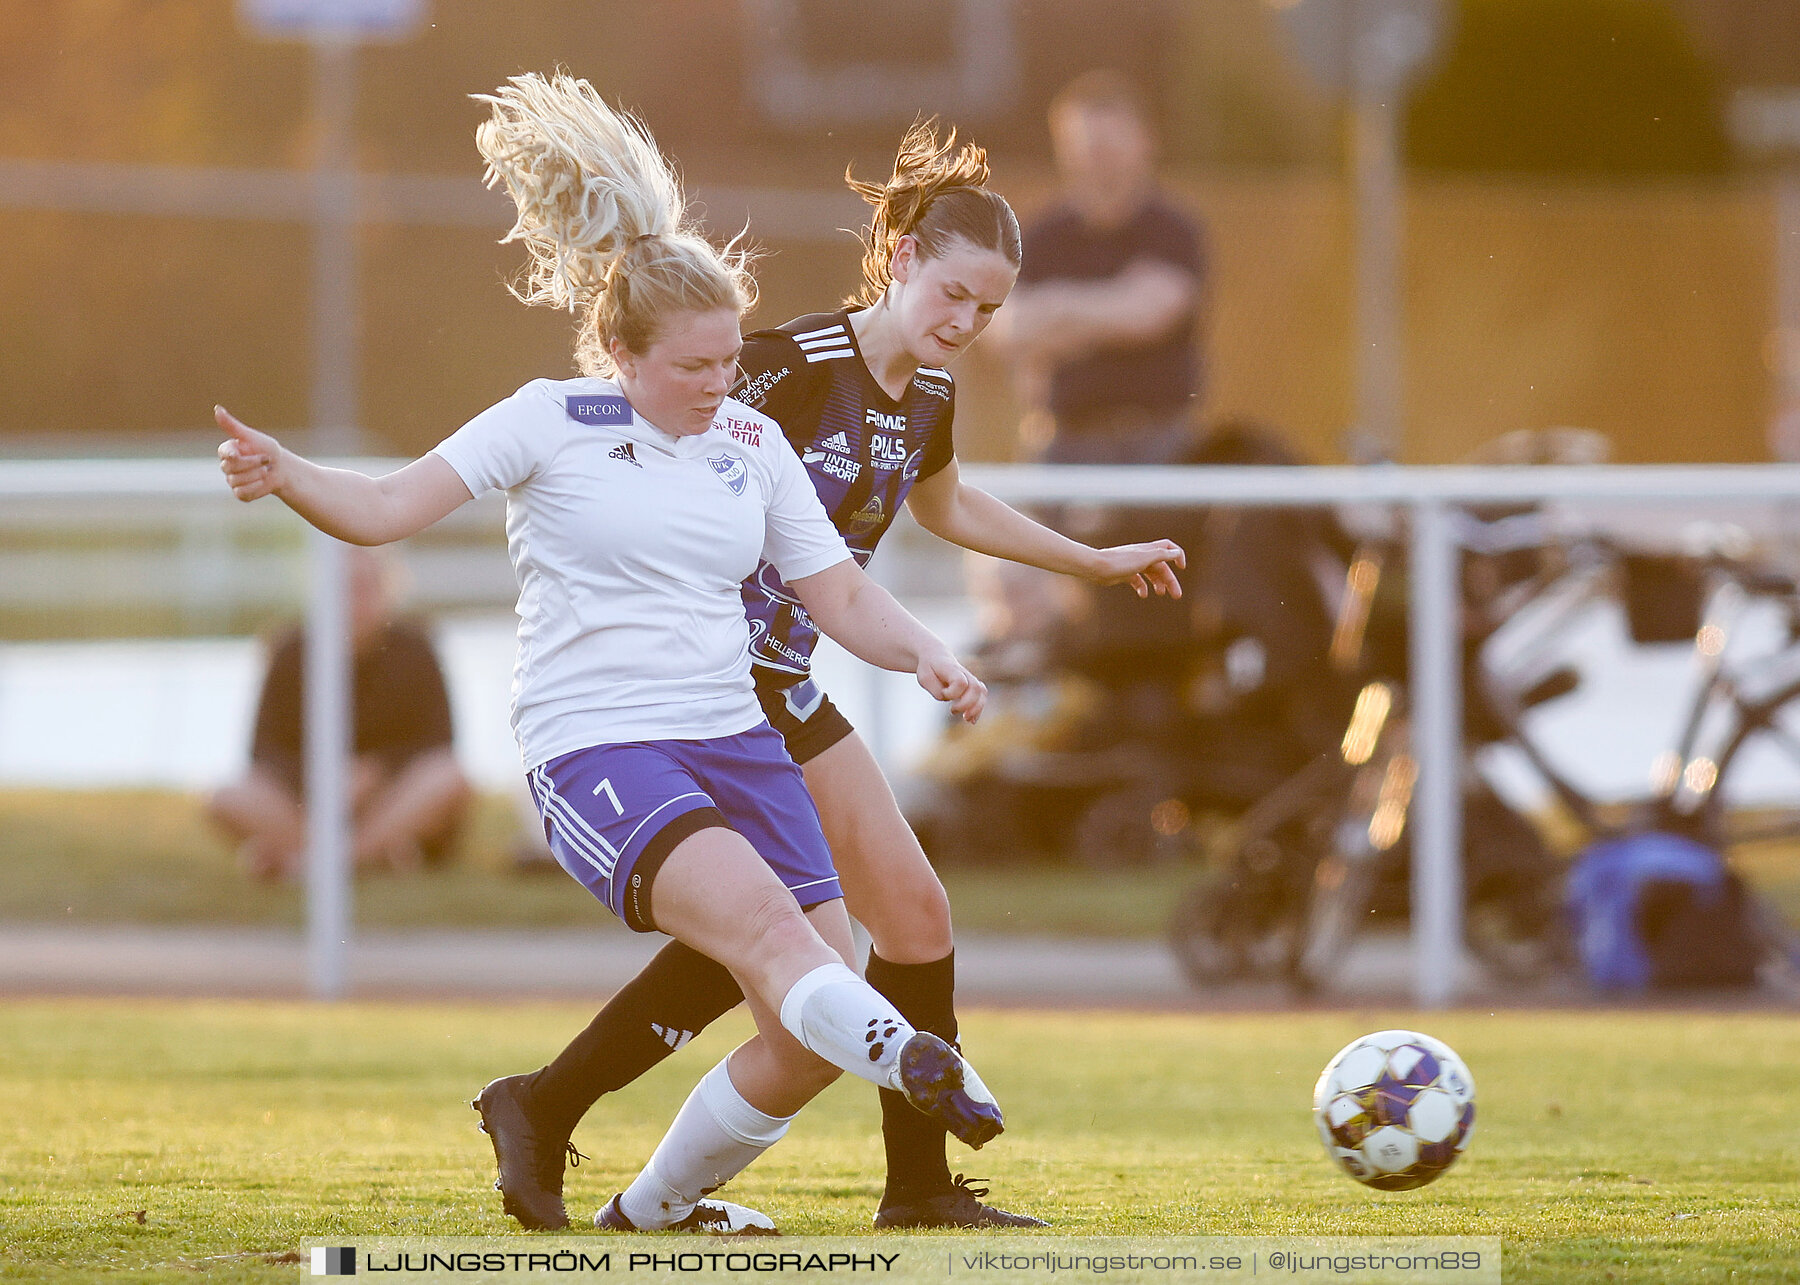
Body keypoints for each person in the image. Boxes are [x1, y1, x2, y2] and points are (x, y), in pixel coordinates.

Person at [214, 72, 1006, 1237]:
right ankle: (918, 1058)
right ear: (621, 353)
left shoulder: (746, 440)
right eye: (694, 366)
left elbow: (834, 587)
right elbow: (385, 507)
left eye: (731, 361)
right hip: (602, 745)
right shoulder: (548, 418)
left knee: (799, 1039)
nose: (721, 386)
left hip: (735, 734)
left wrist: (926, 651)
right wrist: (287, 475)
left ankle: (648, 1209)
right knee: (787, 947)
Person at [471, 121, 1186, 1232]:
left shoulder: (932, 397)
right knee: (798, 943)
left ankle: (905, 1188)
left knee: (902, 917)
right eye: (953, 294)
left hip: (788, 682)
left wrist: (1090, 559)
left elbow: (947, 507)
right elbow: (650, 413)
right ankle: (557, 1109)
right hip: (706, 688)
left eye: (989, 311)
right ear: (900, 260)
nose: (966, 324)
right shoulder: (787, 366)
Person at [205, 544, 471, 880]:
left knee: (447, 778)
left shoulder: (417, 645)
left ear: (388, 586)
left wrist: (376, 772)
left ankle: (314, 863)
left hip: (393, 798)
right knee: (226, 796)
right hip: (308, 803)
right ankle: (372, 857)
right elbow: (263, 750)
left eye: (365, 586)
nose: (356, 599)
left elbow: (440, 741)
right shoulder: (289, 647)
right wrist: (320, 778)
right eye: (345, 585)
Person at [997, 68, 1208, 465]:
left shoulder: (1173, 229)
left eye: (1110, 142)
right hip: (1063, 444)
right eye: (1086, 144)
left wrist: (1056, 312)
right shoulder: (1038, 235)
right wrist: (1109, 308)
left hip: (1161, 446)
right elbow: (1003, 327)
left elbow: (1150, 315)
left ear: (1145, 141)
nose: (1098, 156)